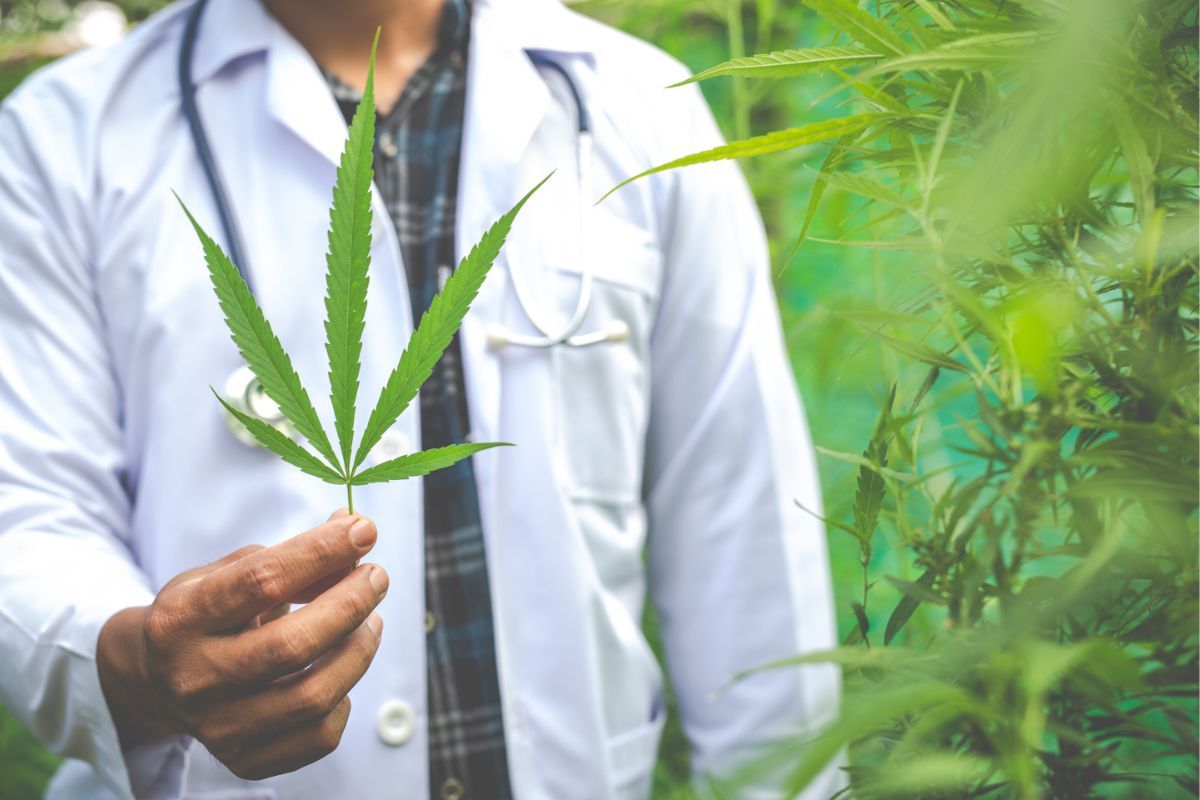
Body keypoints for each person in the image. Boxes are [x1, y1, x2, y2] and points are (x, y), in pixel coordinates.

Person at [0, 0, 842, 797]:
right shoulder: (62, 135)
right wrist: (135, 663)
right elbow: (26, 508)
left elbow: (745, 527)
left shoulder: (643, 109)